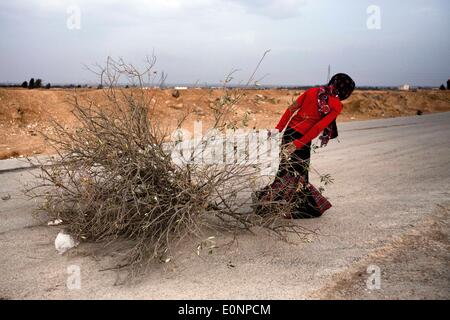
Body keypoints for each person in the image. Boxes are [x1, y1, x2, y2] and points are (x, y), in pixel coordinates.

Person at [256, 73, 355, 218]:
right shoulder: (336, 106)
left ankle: (267, 203)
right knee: (298, 175)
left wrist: (278, 129)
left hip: (289, 133)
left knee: (285, 171)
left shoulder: (312, 91)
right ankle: (284, 208)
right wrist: (297, 144)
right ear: (345, 91)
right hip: (301, 140)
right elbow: (316, 128)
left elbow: (291, 109)